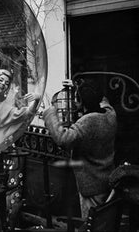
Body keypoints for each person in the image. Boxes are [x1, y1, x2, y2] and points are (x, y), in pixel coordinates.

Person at [43, 77, 117, 218]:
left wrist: (50, 113)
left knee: (93, 222)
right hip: (107, 179)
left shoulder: (88, 122)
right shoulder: (110, 113)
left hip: (92, 186)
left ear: (81, 102)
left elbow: (63, 139)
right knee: (105, 220)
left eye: (77, 99)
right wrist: (78, 88)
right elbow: (103, 99)